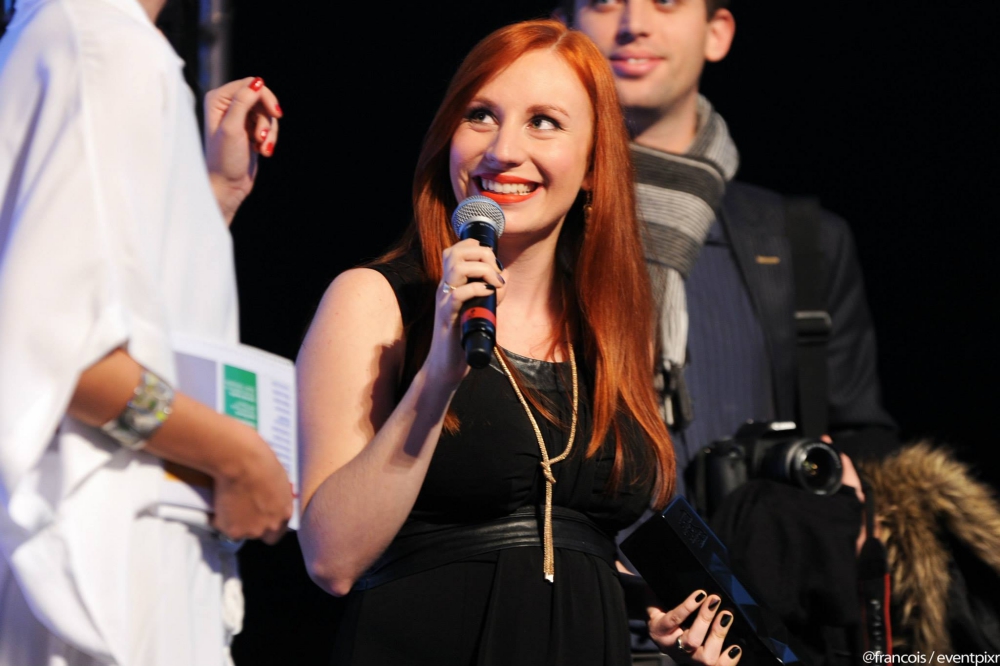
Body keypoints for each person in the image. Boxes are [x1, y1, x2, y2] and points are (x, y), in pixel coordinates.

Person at [297, 18, 746, 666]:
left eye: (544, 122)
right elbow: (331, 557)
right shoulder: (377, 301)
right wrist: (437, 378)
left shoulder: (610, 329)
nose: (503, 149)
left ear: (593, 164)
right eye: (480, 115)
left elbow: (564, 546)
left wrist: (665, 615)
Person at [556, 0, 899, 663]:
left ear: (717, 32)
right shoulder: (531, 226)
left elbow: (861, 436)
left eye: (666, 1)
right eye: (603, 1)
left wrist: (848, 504)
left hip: (758, 629)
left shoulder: (802, 242)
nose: (632, 23)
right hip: (577, 626)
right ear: (563, 27)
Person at [0, 0, 293, 664]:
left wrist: (209, 195)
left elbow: (115, 312)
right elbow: (69, 363)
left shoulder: (90, 36)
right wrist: (238, 457)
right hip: (99, 581)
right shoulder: (102, 42)